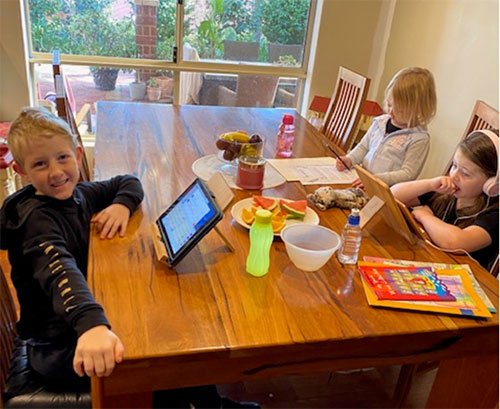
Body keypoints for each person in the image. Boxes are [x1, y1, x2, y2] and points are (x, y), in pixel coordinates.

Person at [0, 107, 259, 409]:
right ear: (21, 171)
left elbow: (128, 181)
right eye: (40, 164)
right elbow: (60, 272)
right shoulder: (37, 224)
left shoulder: (77, 193)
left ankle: (208, 402)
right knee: (168, 350)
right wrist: (91, 325)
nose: (56, 172)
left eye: (62, 158)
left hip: (70, 327)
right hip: (58, 347)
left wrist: (122, 205)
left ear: (78, 155)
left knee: (173, 329)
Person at [391, 129, 499, 271]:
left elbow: (455, 241)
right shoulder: (446, 191)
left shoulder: (494, 215)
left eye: (465, 173)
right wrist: (429, 184)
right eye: (454, 165)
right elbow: (393, 195)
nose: (454, 175)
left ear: (492, 184)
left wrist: (425, 216)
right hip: (428, 264)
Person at [336, 67, 437, 188]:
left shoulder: (419, 139)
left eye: (399, 110)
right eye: (389, 105)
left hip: (386, 189)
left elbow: (408, 174)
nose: (390, 112)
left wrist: (377, 179)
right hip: (363, 181)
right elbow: (363, 147)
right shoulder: (380, 122)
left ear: (417, 110)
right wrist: (350, 159)